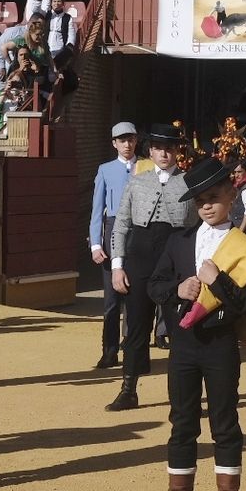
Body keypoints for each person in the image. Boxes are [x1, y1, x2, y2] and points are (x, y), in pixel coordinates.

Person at [144, 158, 246, 491]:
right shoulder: (179, 240)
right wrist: (177, 290)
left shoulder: (245, 248)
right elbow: (153, 285)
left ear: (231, 196)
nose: (206, 206)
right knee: (181, 422)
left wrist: (217, 282)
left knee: (224, 424)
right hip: (184, 347)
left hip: (221, 345)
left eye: (214, 197)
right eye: (199, 200)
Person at [106, 123, 191, 410]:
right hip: (139, 257)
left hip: (175, 259)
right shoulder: (136, 183)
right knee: (136, 326)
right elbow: (120, 227)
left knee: (180, 329)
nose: (164, 153)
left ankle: (182, 396)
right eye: (158, 148)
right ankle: (128, 389)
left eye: (169, 148)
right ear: (151, 151)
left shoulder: (189, 184)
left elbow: (196, 230)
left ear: (177, 151)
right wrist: (118, 266)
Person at [89, 121, 141, 371]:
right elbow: (96, 211)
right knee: (111, 300)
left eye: (130, 139)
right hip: (112, 229)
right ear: (114, 144)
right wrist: (96, 244)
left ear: (136, 140)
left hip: (139, 231)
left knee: (134, 296)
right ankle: (109, 351)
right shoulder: (105, 170)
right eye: (122, 140)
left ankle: (131, 348)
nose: (127, 144)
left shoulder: (145, 168)